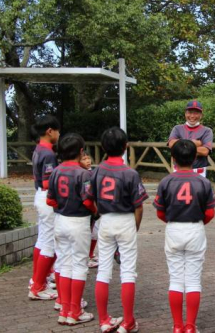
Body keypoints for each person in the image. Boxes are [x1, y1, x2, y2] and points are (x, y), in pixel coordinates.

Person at [153, 139, 215, 333]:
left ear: (173, 159)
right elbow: (210, 213)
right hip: (195, 228)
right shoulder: (203, 181)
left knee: (175, 280)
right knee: (193, 280)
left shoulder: (166, 181)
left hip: (173, 228)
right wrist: (198, 223)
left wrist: (173, 220)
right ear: (194, 158)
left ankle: (177, 326)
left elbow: (159, 212)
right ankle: (190, 326)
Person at [89, 127, 148, 333]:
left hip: (105, 221)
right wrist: (136, 226)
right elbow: (139, 205)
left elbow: (90, 198)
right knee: (128, 272)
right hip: (126, 221)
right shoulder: (130, 173)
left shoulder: (97, 170)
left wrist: (100, 213)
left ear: (104, 147)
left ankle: (104, 320)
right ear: (125, 147)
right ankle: (128, 322)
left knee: (103, 272)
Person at [47, 133, 96, 325]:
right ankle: (75, 311)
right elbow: (87, 200)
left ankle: (65, 309)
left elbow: (50, 199)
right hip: (78, 222)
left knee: (64, 264)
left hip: (60, 221)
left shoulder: (56, 171)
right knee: (79, 266)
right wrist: (96, 210)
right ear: (81, 151)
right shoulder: (83, 173)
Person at [28, 115, 60, 301]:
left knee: (41, 240)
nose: (58, 134)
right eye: (57, 131)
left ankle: (37, 280)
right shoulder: (48, 154)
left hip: (39, 195)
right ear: (50, 131)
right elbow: (49, 182)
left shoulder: (39, 149)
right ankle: (38, 286)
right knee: (49, 242)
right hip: (47, 197)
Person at [168, 100, 213, 177]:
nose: (192, 116)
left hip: (199, 171)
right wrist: (197, 143)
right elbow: (171, 144)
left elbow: (205, 151)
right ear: (185, 114)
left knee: (199, 189)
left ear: (201, 115)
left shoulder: (207, 131)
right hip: (178, 169)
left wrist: (180, 147)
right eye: (189, 112)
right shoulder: (177, 128)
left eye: (196, 113)